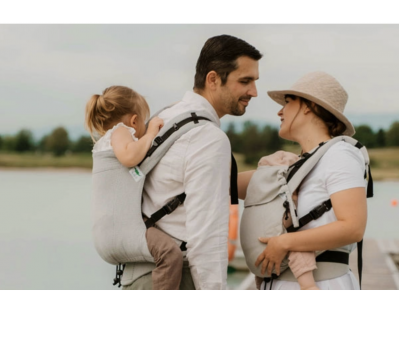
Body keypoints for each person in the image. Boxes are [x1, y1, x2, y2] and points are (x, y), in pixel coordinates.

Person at [121, 34, 262, 290]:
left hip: (139, 274)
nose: (254, 91)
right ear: (213, 79)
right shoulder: (208, 138)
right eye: (245, 81)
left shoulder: (166, 117)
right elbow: (207, 236)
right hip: (176, 278)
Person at [240, 71, 367, 290]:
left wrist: (283, 242)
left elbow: (353, 227)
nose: (280, 111)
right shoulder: (293, 166)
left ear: (309, 106)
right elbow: (223, 183)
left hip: (323, 285)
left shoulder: (339, 155)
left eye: (288, 102)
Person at [85, 85, 186, 290]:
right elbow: (130, 157)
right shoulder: (120, 132)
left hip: (106, 236)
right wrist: (150, 134)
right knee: (170, 254)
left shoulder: (107, 141)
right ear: (134, 121)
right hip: (123, 232)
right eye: (143, 122)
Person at [239, 151, 320, 290]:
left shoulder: (257, 185)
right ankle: (308, 286)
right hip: (277, 247)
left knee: (265, 264)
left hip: (255, 258)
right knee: (298, 245)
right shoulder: (288, 185)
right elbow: (291, 215)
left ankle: (261, 285)